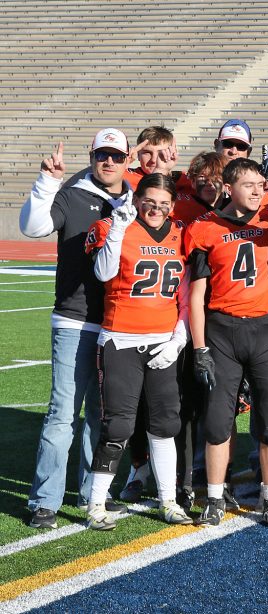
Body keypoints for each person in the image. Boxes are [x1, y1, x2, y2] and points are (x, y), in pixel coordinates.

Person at [20, 129, 135, 529]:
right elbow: (33, 228)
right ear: (91, 156)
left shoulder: (135, 198)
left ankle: (93, 494)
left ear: (127, 159)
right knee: (62, 412)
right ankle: (45, 500)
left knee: (102, 415)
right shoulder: (72, 193)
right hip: (75, 317)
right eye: (102, 155)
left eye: (116, 156)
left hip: (121, 322)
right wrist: (47, 181)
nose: (108, 162)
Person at [185, 156, 268, 527]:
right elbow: (196, 296)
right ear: (228, 188)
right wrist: (199, 347)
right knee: (217, 419)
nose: (256, 190)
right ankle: (215, 497)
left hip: (266, 327)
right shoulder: (204, 229)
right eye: (248, 184)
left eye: (259, 185)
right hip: (222, 330)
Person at [81, 173, 191, 530]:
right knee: (119, 426)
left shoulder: (181, 234)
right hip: (121, 341)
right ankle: (96, 503)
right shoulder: (119, 225)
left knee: (165, 424)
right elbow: (102, 273)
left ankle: (168, 500)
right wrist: (116, 228)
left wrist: (178, 339)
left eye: (163, 204)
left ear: (172, 206)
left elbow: (187, 295)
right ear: (137, 199)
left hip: (163, 341)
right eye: (149, 201)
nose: (156, 209)